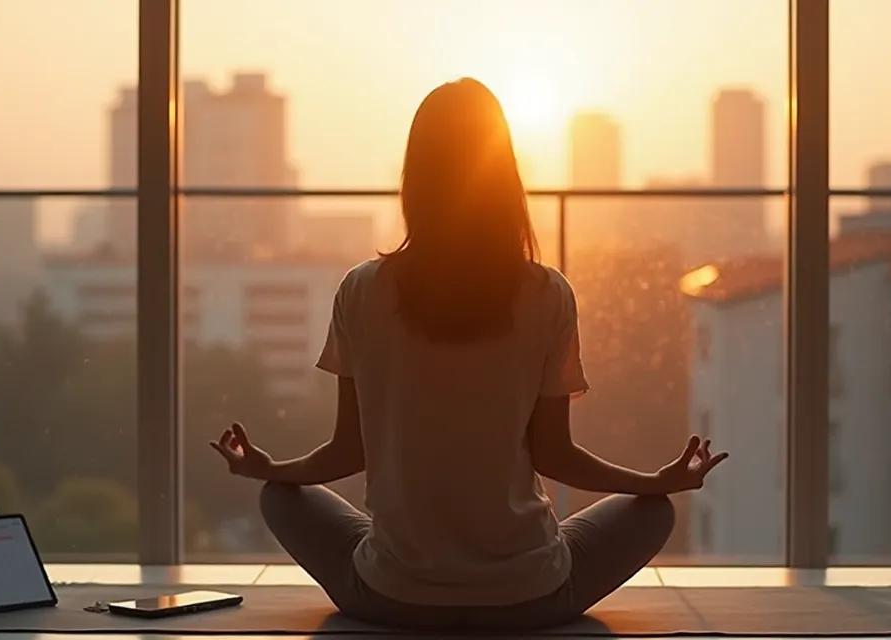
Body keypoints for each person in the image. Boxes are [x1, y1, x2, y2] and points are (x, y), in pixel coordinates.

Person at [209, 78, 729, 631]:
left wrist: (271, 468)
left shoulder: (361, 290)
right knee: (653, 514)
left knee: (280, 499)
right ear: (504, 177)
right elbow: (556, 456)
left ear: (415, 179)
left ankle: (400, 562)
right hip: (528, 596)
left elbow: (348, 450)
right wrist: (655, 482)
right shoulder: (548, 294)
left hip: (390, 595)